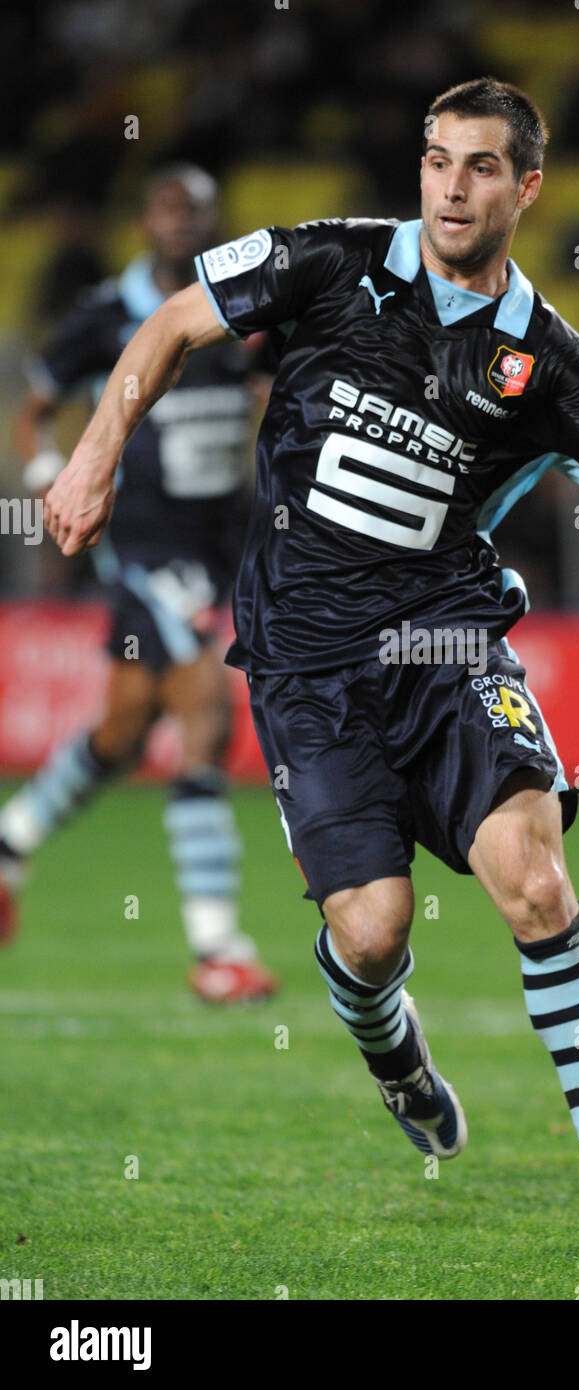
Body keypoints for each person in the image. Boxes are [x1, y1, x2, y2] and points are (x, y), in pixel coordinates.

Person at [43, 80, 579, 1251]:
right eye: (433, 160)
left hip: (443, 639)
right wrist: (92, 456)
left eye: (476, 167)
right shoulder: (330, 261)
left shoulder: (544, 357)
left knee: (533, 875)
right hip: (307, 660)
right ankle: (390, 1048)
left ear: (525, 190)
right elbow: (168, 324)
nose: (448, 186)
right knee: (370, 933)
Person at [0, 165, 278, 1004]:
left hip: (225, 547)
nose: (181, 222)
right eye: (166, 207)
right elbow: (33, 408)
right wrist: (55, 475)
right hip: (147, 549)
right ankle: (215, 946)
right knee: (206, 712)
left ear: (213, 220)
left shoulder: (246, 308)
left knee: (123, 731)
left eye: (195, 209)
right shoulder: (104, 317)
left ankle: (10, 840)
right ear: (144, 220)